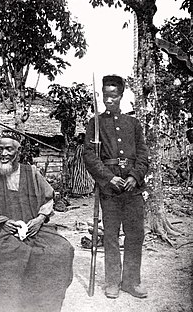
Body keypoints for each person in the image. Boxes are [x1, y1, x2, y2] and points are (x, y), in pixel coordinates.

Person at [0, 130, 74, 312]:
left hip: (32, 230)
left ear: (18, 152)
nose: (4, 154)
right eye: (1, 149)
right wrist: (1, 221)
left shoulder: (32, 173)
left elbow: (48, 199)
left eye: (9, 149)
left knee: (61, 250)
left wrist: (40, 219)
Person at [83, 75, 149, 299]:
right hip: (110, 190)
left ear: (121, 96)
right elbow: (90, 156)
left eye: (113, 96)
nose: (108, 100)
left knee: (135, 235)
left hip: (133, 190)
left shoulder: (133, 124)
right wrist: (108, 178)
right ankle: (112, 282)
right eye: (105, 95)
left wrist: (134, 176)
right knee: (110, 236)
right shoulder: (96, 124)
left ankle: (131, 282)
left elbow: (143, 155)